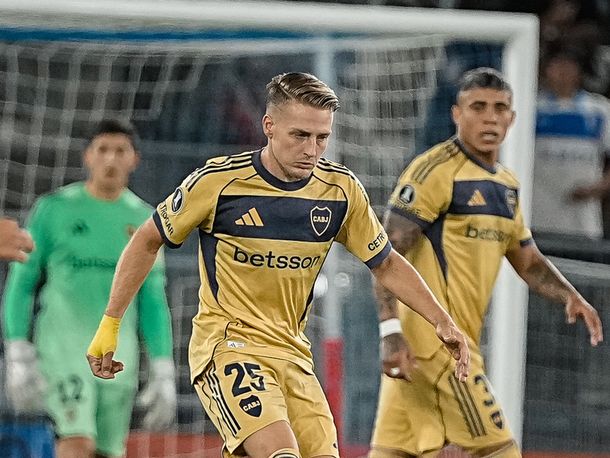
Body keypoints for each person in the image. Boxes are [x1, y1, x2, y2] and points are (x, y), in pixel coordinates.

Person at [85, 72, 470, 458]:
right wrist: (110, 323)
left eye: (321, 138)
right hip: (229, 347)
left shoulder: (341, 191)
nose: (311, 150)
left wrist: (441, 319)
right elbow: (146, 240)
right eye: (300, 135)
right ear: (269, 126)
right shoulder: (219, 182)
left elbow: (385, 264)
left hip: (293, 355)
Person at [369, 67, 603, 458]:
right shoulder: (434, 172)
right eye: (478, 107)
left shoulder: (506, 184)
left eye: (499, 108)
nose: (490, 118)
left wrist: (569, 295)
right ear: (457, 114)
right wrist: (390, 330)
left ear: (512, 118)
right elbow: (385, 255)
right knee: (500, 450)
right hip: (437, 346)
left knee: (394, 452)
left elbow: (527, 260)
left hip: (445, 346)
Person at [2, 119, 177, 458]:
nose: (111, 159)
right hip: (62, 349)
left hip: (118, 356)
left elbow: (153, 300)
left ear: (134, 159)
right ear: (88, 156)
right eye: (103, 149)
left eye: (120, 151)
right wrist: (17, 348)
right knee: (76, 443)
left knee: (108, 452)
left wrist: (162, 365)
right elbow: (21, 283)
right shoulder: (54, 209)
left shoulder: (146, 221)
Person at [531, 46, 610, 239]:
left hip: (583, 219)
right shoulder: (532, 107)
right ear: (545, 70)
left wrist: (599, 187)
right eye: (557, 66)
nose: (563, 72)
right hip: (536, 215)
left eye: (569, 66)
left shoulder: (600, 109)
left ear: (579, 71)